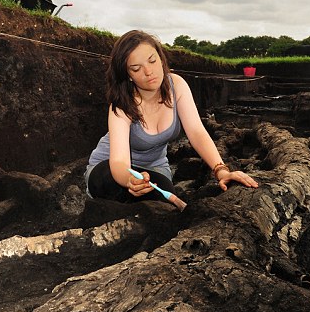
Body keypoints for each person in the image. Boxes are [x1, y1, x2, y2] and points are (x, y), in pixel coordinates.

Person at [85, 30, 258, 204]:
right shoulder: (122, 104)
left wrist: (221, 170)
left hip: (155, 169)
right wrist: (130, 180)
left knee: (164, 200)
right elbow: (119, 161)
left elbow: (197, 132)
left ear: (161, 59)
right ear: (128, 75)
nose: (148, 71)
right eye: (136, 68)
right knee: (111, 185)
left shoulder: (177, 85)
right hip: (111, 167)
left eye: (152, 61)